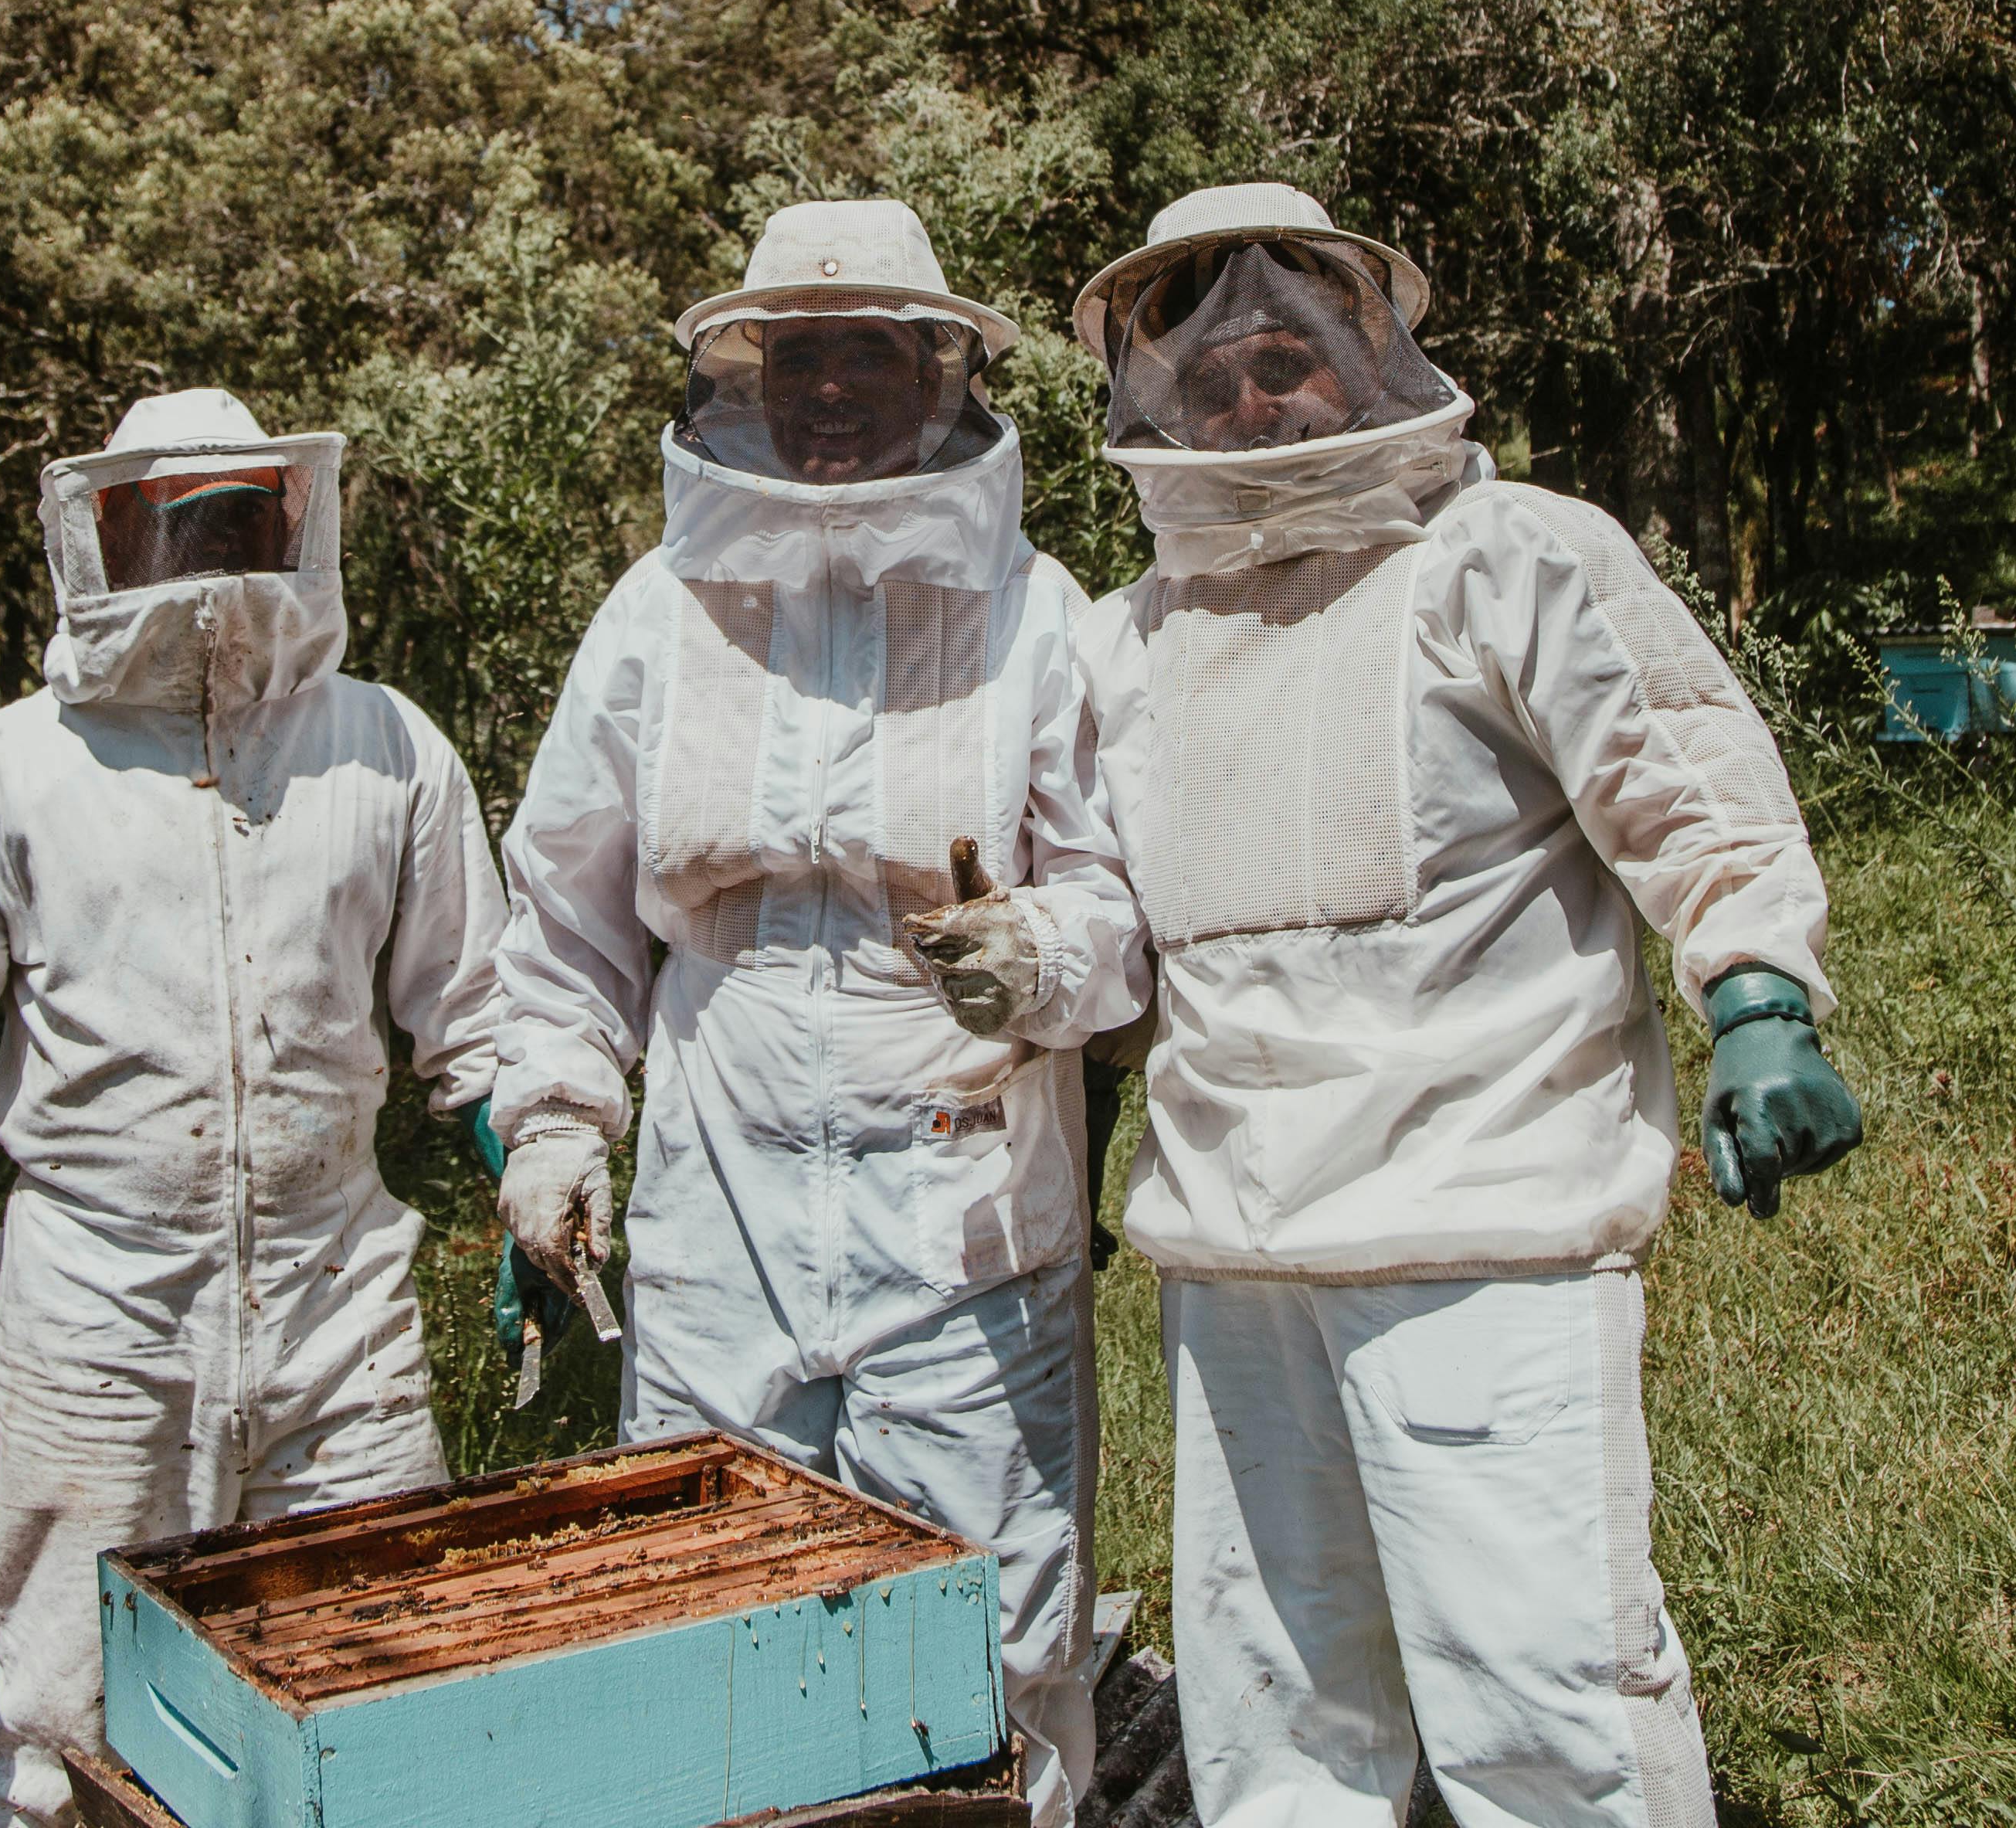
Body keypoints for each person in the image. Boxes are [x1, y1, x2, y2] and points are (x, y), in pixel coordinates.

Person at [932, 181, 1861, 1828]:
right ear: (1150, 402)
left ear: (1373, 352)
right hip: (1232, 1253)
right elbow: (1130, 930)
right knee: (1271, 1710)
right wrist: (1036, 963)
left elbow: (1688, 787)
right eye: (1208, 375)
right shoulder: (1125, 638)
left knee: (1545, 1692)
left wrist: (1761, 992)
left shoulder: (1511, 557)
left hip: (1485, 1227)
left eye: (1285, 356)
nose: (1249, 395)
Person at [484, 199, 1141, 1828]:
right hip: (721, 1207)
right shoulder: (660, 613)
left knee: (994, 1625)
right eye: (798, 358)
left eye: (868, 355)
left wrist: (1041, 957)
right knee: (711, 1606)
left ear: (939, 375)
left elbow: (1133, 908)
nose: (831, 391)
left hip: (968, 1201)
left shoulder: (1039, 612)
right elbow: (565, 914)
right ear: (744, 382)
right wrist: (560, 1119)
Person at [0, 388, 507, 1828]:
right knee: (70, 1726)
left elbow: (475, 1017)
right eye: (173, 524)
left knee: (387, 1686)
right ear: (104, 536)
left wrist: (537, 1188)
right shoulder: (14, 766)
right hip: (94, 1314)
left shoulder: (385, 745)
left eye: (234, 520)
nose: (211, 561)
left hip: (338, 1301)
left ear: (287, 522)